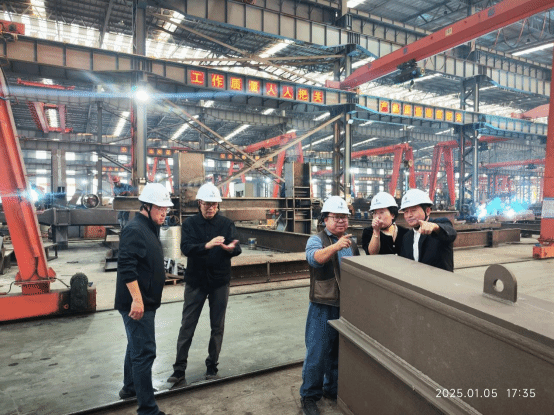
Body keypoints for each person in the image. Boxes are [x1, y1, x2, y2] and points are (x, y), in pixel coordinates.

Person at [168, 183, 241, 385]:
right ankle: (179, 370)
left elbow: (237, 248)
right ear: (199, 203)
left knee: (217, 326)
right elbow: (186, 248)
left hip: (219, 282)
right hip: (196, 282)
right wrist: (206, 246)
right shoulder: (190, 224)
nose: (210, 208)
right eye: (207, 204)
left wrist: (231, 249)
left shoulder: (226, 224)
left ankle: (212, 367)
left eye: (214, 204)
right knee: (187, 325)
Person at [114, 183, 174, 415]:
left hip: (146, 300)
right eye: (160, 208)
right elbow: (126, 267)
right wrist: (137, 300)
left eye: (166, 209)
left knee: (135, 345)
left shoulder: (149, 227)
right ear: (146, 207)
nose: (164, 213)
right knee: (145, 352)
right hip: (138, 303)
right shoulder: (135, 230)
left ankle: (130, 387)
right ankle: (148, 410)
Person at [300, 196, 360, 416]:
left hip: (345, 304)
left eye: (344, 217)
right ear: (325, 219)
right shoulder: (316, 240)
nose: (341, 221)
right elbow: (314, 259)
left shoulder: (351, 243)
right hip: (323, 304)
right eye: (336, 217)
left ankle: (332, 389)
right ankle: (309, 396)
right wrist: (335, 246)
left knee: (337, 351)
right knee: (317, 353)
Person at [399, 189, 457, 272]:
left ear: (427, 211)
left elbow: (451, 233)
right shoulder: (407, 237)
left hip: (439, 279)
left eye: (413, 210)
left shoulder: (438, 227)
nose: (409, 215)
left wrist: (435, 227)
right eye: (406, 212)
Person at [362, 191, 408, 255]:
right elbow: (372, 254)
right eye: (375, 213)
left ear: (392, 215)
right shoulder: (368, 232)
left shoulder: (405, 233)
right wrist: (376, 231)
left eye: (381, 212)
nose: (378, 217)